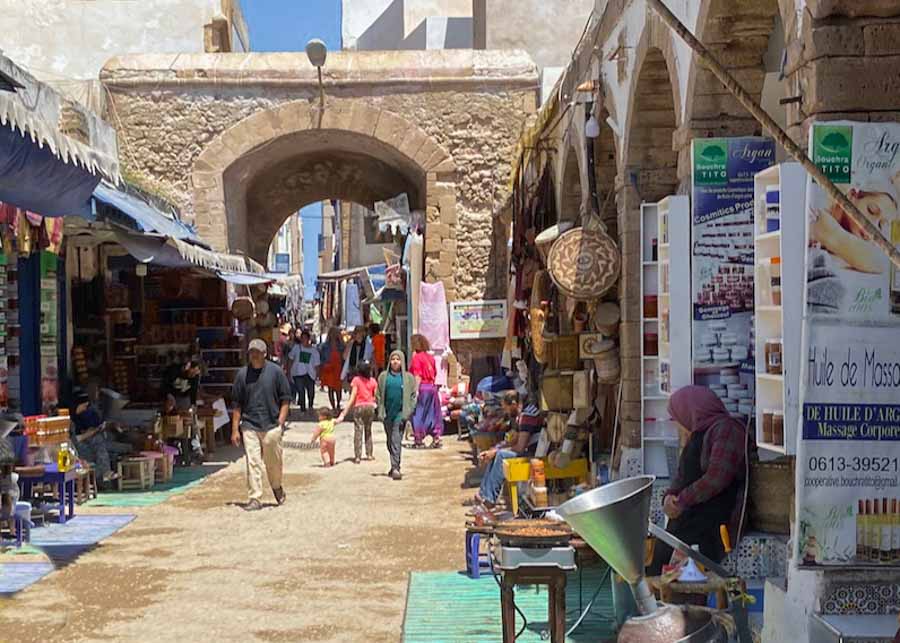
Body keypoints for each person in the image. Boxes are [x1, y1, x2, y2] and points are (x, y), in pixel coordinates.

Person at [648, 385, 748, 575]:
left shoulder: (727, 430)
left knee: (692, 578)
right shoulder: (697, 434)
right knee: (661, 569)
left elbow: (716, 479)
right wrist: (669, 497)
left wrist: (682, 500)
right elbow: (681, 475)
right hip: (687, 521)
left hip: (713, 525)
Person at [231, 338, 293, 511]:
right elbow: (236, 404)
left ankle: (276, 486)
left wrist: (280, 422)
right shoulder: (242, 375)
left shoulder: (276, 372)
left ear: (265, 354)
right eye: (252, 352)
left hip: (271, 424)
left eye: (257, 352)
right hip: (249, 424)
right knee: (253, 462)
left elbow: (286, 399)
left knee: (273, 461)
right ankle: (255, 497)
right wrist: (235, 429)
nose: (254, 355)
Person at [473, 391, 543, 508]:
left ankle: (489, 499)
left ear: (514, 404)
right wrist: (493, 451)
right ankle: (483, 494)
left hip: (535, 454)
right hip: (528, 450)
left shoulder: (527, 416)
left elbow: (520, 447)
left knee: (501, 455)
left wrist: (497, 452)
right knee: (497, 454)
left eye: (506, 408)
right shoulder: (521, 416)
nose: (506, 412)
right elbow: (513, 440)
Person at [71, 389, 133, 486]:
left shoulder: (82, 416)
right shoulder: (70, 420)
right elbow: (74, 440)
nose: (84, 409)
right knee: (98, 441)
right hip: (77, 448)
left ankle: (106, 474)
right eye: (83, 406)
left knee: (102, 443)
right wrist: (91, 433)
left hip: (89, 444)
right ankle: (105, 473)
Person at [376, 350, 417, 480]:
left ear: (402, 362)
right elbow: (378, 394)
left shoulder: (409, 378)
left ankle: (396, 468)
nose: (395, 362)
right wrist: (380, 409)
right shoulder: (383, 377)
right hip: (387, 414)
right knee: (389, 441)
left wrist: (408, 411)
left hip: (401, 414)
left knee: (396, 440)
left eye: (398, 359)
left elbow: (413, 396)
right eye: (393, 359)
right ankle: (393, 464)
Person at [337, 361, 377, 464]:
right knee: (368, 430)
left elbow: (353, 396)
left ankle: (358, 456)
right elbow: (376, 396)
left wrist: (344, 413)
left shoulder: (356, 380)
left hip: (359, 406)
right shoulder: (373, 381)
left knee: (358, 431)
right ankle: (369, 454)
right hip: (370, 406)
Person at [409, 334, 442, 448]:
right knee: (433, 413)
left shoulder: (416, 358)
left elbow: (417, 375)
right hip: (432, 388)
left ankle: (418, 439)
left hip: (422, 388)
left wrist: (415, 390)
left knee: (418, 413)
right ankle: (436, 437)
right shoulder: (430, 358)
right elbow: (435, 373)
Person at [287, 330, 320, 413]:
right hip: (298, 373)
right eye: (302, 338)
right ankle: (303, 408)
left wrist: (317, 375)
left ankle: (310, 406)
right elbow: (290, 359)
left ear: (308, 339)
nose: (303, 340)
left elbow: (317, 364)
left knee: (311, 392)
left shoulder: (314, 351)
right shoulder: (296, 348)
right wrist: (288, 371)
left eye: (305, 338)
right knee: (301, 391)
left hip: (310, 374)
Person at [318, 327, 345, 412]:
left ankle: (338, 404)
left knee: (338, 388)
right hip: (329, 368)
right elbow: (321, 357)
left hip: (338, 368)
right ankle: (333, 406)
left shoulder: (341, 345)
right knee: (330, 388)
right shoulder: (324, 346)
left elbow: (345, 356)